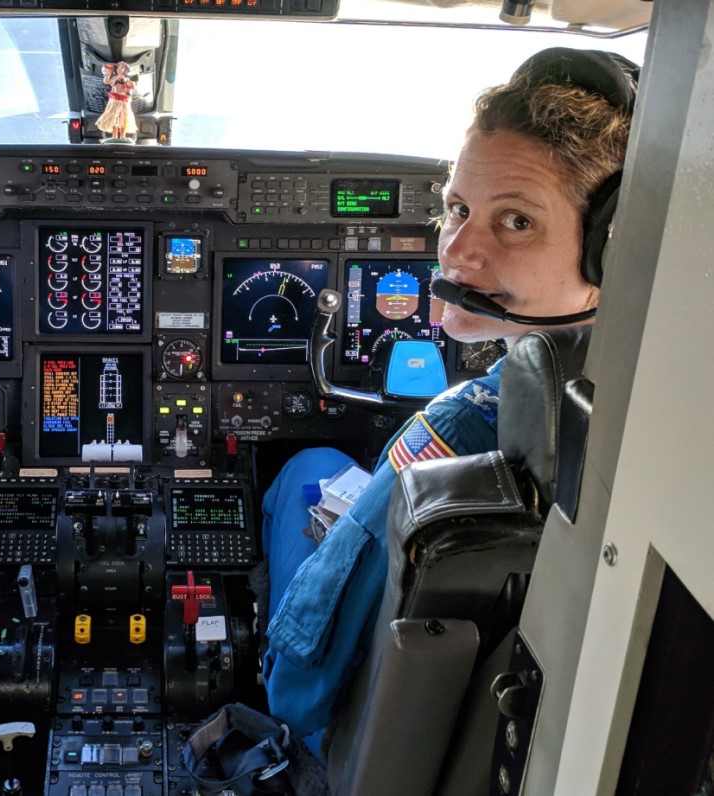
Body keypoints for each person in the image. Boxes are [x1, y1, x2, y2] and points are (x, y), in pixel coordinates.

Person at [260, 47, 635, 764]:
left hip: (353, 742)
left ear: (607, 250)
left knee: (309, 462)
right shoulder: (644, 404)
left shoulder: (462, 423)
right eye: (456, 208)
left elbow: (296, 685)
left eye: (516, 221)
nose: (458, 251)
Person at [95, 61, 137, 142]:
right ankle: (114, 136)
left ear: (125, 69)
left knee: (123, 118)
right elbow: (106, 81)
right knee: (114, 118)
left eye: (122, 67)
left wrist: (129, 87)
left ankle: (122, 136)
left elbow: (128, 89)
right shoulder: (114, 78)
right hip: (114, 100)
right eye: (119, 67)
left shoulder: (126, 79)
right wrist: (108, 74)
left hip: (123, 101)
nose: (119, 69)